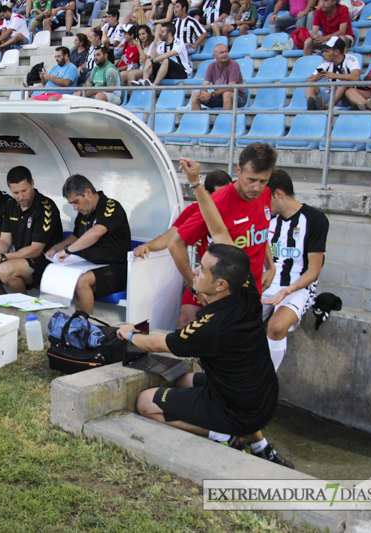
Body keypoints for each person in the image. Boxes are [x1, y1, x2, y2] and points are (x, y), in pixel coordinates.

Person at [118, 156, 287, 467]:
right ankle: (261, 445)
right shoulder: (246, 288)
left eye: (202, 271)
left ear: (220, 284)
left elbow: (159, 343)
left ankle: (223, 436)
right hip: (262, 397)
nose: (195, 271)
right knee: (183, 379)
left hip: (237, 410)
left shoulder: (211, 324)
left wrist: (129, 333)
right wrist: (196, 183)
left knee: (145, 403)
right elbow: (220, 231)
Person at [167, 143, 277, 308]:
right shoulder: (218, 203)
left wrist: (270, 266)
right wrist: (196, 288)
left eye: (263, 181)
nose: (257, 187)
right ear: (238, 170)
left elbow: (259, 233)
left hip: (253, 292)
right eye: (252, 180)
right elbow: (175, 244)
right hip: (224, 300)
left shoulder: (266, 194)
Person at [134, 170, 232, 328]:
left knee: (221, 325)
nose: (226, 199)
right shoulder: (195, 209)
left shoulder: (237, 209)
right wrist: (147, 246)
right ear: (206, 194)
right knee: (184, 320)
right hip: (204, 275)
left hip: (229, 279)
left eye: (228, 193)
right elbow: (170, 237)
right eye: (221, 194)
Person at [262, 170, 329, 371]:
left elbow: (314, 270)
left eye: (266, 198)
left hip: (297, 287)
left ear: (278, 194)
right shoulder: (266, 217)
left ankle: (266, 381)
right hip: (265, 283)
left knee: (276, 327)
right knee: (234, 323)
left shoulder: (315, 219)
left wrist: (287, 290)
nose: (262, 204)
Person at [0, 166, 63, 294]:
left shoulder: (46, 207)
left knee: (5, 269)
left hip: (44, 261)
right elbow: (5, 241)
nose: (21, 197)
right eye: (16, 193)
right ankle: (6, 303)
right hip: (20, 258)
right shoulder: (10, 205)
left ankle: (25, 310)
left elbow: (36, 250)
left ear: (32, 184)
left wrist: (2, 257)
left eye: (24, 190)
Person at [45, 175, 130, 314]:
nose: (74, 207)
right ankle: (60, 322)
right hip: (88, 265)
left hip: (114, 269)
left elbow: (96, 233)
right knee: (53, 275)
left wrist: (68, 250)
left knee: (80, 282)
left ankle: (87, 329)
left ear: (88, 193)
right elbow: (76, 236)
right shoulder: (84, 212)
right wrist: (56, 248)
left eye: (76, 202)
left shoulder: (111, 207)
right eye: (71, 203)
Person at [305, 36, 359, 110]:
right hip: (330, 96)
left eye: (326, 51)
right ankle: (313, 108)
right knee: (311, 84)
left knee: (344, 82)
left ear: (336, 52)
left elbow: (356, 77)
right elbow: (308, 80)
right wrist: (316, 78)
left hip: (347, 98)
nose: (323, 54)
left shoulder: (351, 59)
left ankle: (328, 107)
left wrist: (334, 76)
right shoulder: (326, 63)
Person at [190, 44, 246, 110]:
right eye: (221, 52)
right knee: (196, 95)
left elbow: (231, 87)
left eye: (226, 52)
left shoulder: (234, 64)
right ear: (214, 56)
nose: (225, 54)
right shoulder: (211, 66)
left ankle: (225, 119)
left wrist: (211, 94)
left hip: (237, 98)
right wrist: (204, 93)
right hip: (218, 97)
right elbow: (205, 85)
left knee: (227, 94)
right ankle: (196, 119)